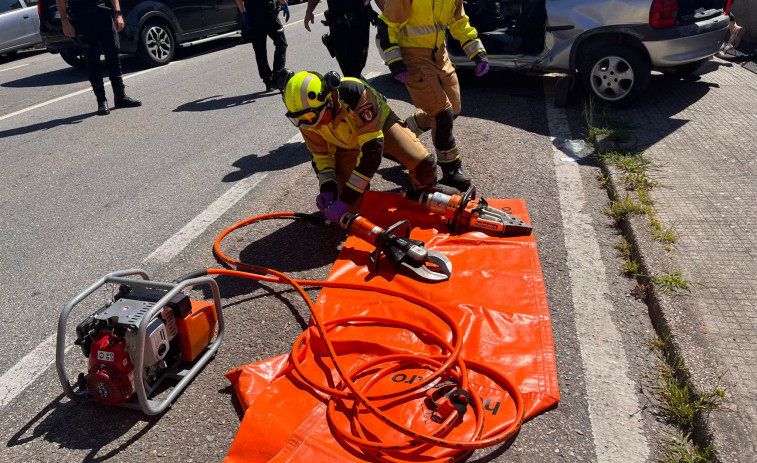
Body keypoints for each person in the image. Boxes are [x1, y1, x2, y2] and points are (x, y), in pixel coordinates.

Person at [280, 70, 446, 222]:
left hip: (380, 127)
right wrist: (327, 187)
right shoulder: (307, 120)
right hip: (345, 145)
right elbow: (321, 156)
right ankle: (358, 195)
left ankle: (422, 193)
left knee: (425, 166)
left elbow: (371, 152)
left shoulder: (355, 93)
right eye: (298, 120)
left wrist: (346, 198)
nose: (311, 126)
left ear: (329, 98)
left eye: (311, 117)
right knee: (351, 209)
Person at [376, 0, 489, 191]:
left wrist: (477, 52)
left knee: (453, 109)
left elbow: (459, 21)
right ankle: (452, 170)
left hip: (439, 54)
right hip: (413, 57)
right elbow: (387, 24)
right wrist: (395, 62)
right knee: (442, 114)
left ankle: (400, 139)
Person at [56, 0, 141, 115]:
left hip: (104, 14)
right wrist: (65, 21)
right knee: (92, 59)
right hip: (82, 19)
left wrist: (118, 13)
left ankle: (120, 97)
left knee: (113, 56)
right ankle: (101, 101)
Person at [304, 0, 377, 78]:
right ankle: (359, 87)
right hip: (337, 28)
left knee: (354, 71)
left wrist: (386, 14)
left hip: (358, 24)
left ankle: (359, 88)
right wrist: (309, 11)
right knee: (348, 72)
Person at [236, 0, 290, 92]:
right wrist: (284, 3)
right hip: (268, 13)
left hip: (252, 15)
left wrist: (243, 13)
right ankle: (277, 77)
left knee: (259, 49)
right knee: (281, 44)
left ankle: (268, 81)